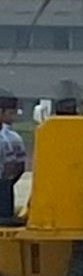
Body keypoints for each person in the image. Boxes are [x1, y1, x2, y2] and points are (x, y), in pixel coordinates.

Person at [0, 94, 25, 225]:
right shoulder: (13, 137)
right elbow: (19, 168)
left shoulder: (11, 138)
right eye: (10, 113)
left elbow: (16, 167)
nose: (13, 117)